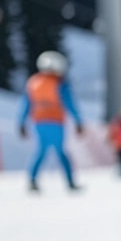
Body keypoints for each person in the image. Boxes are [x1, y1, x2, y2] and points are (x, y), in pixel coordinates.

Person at [18, 50, 83, 193]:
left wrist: (21, 123)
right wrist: (79, 121)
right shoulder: (60, 84)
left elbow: (26, 105)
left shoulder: (33, 83)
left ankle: (32, 180)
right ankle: (70, 182)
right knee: (61, 153)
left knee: (40, 152)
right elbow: (70, 104)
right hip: (56, 123)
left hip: (39, 123)